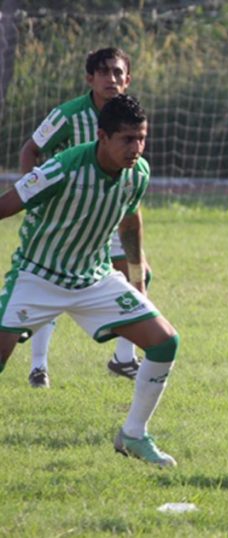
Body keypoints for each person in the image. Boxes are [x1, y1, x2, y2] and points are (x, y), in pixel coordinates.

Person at [0, 94, 179, 467]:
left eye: (142, 138)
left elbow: (130, 221)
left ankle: (133, 435)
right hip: (38, 275)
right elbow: (7, 204)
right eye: (127, 139)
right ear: (102, 136)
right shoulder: (63, 169)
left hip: (94, 279)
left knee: (164, 342)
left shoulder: (139, 173)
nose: (137, 148)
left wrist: (136, 276)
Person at [19, 47, 146, 388]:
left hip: (108, 214)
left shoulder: (131, 115)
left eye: (118, 73)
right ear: (90, 78)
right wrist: (34, 198)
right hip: (69, 217)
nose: (112, 79)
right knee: (54, 282)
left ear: (128, 79)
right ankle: (39, 366)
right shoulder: (68, 115)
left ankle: (123, 358)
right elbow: (30, 150)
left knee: (138, 274)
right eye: (104, 72)